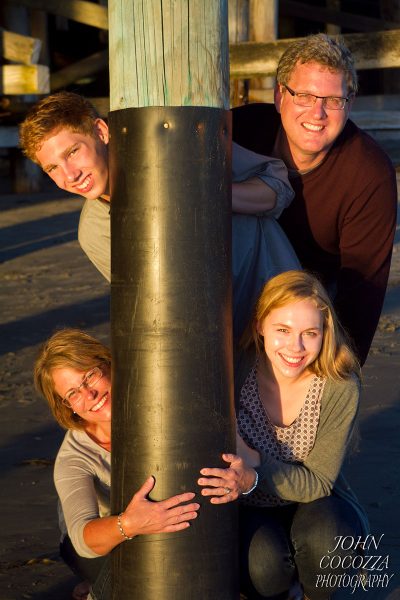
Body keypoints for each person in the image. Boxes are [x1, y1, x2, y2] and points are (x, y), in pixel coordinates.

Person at [19, 91, 300, 342]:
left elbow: (278, 188)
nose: (70, 175)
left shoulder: (179, 147)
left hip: (290, 315)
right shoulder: (95, 232)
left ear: (101, 131)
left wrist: (203, 192)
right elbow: (152, 307)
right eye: (52, 168)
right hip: (221, 350)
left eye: (73, 152)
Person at [198, 270, 369, 599]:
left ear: (325, 332)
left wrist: (254, 465)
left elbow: (318, 482)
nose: (296, 346)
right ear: (261, 326)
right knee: (264, 565)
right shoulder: (235, 366)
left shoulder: (339, 385)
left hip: (318, 504)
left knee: (329, 541)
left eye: (310, 333)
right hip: (247, 507)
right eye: (283, 330)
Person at [232, 33, 398, 366]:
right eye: (305, 95)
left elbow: (361, 292)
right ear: (280, 96)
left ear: (349, 104)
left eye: (333, 100)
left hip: (311, 308)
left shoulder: (369, 174)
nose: (318, 112)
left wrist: (337, 383)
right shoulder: (242, 130)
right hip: (234, 278)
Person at [34, 329, 200, 600]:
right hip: (101, 540)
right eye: (73, 393)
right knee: (140, 579)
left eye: (89, 375)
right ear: (67, 407)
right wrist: (130, 524)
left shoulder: (158, 402)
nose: (90, 393)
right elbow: (83, 538)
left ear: (107, 363)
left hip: (161, 519)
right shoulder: (74, 458)